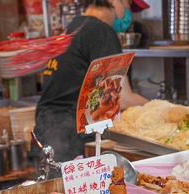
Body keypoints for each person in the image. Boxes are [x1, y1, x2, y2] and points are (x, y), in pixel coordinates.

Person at [33, 0, 149, 164]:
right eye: (130, 6)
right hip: (73, 144)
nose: (130, 15)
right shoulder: (101, 32)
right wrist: (161, 108)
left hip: (48, 137)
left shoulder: (70, 29)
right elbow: (122, 98)